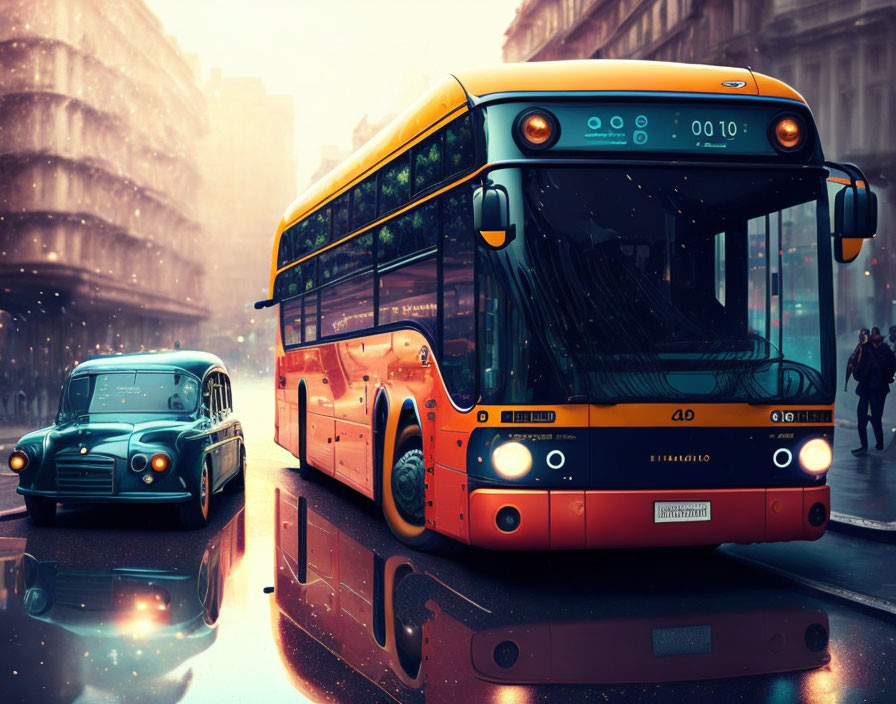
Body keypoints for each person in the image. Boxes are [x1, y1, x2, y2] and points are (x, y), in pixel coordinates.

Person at [852, 326, 896, 456]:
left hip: (877, 388)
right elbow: (856, 363)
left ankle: (878, 443)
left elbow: (892, 366)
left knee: (875, 417)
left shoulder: (883, 350)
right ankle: (867, 445)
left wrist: (887, 378)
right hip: (868, 388)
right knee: (863, 418)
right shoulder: (866, 348)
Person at [845, 327, 870, 392]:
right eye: (861, 336)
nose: (862, 337)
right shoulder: (860, 346)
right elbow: (852, 360)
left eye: (864, 335)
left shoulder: (872, 346)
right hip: (861, 374)